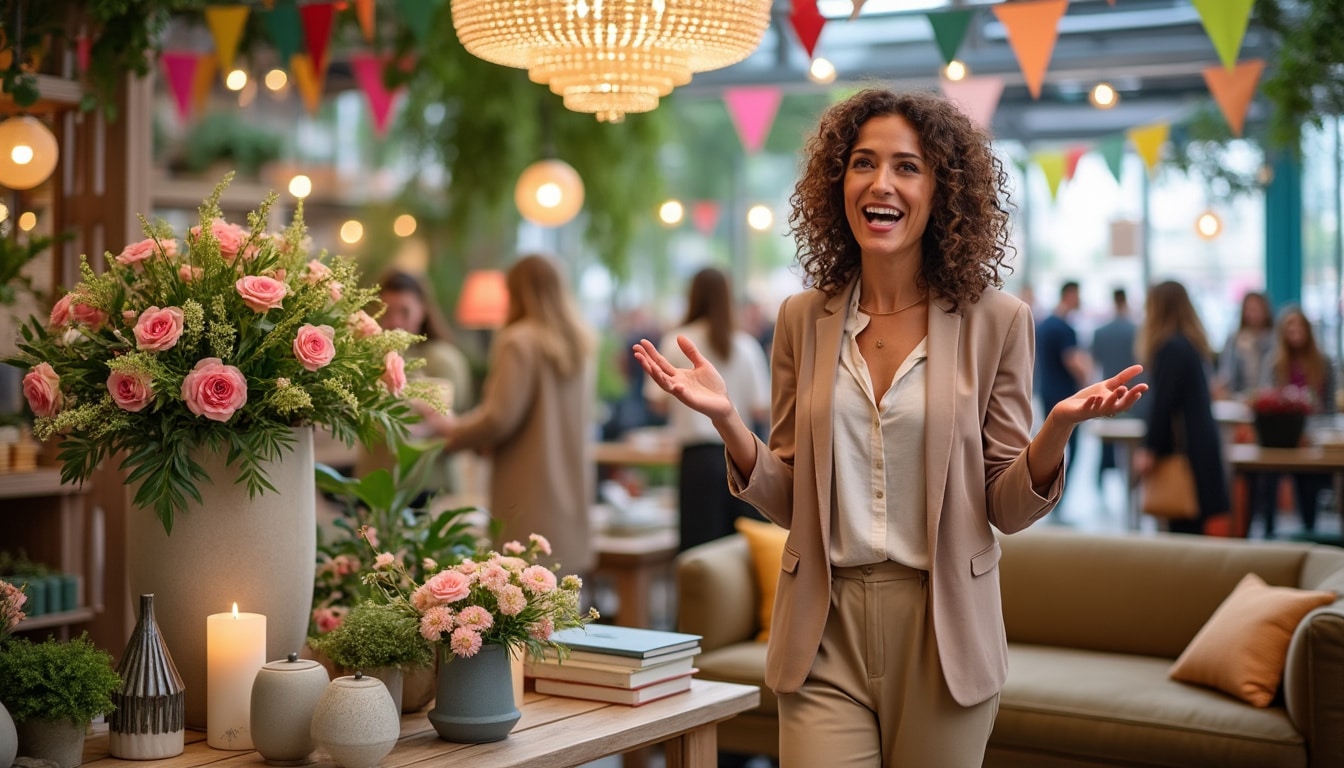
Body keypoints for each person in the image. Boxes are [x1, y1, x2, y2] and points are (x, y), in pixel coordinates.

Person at [633, 88, 1145, 767]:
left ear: (942, 190)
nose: (883, 183)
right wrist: (730, 423)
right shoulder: (800, 320)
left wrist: (1052, 434)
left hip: (943, 628)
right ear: (837, 184)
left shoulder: (998, 321)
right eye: (863, 163)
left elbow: (1005, 508)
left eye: (907, 166)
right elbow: (792, 502)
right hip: (823, 626)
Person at [422, 255, 598, 577]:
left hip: (528, 495)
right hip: (571, 497)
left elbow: (499, 417)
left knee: (523, 604)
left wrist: (451, 430)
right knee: (564, 608)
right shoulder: (580, 344)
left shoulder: (519, 340)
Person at [644, 267, 771, 552]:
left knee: (698, 555)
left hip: (697, 460)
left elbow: (657, 402)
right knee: (738, 554)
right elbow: (761, 410)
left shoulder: (676, 341)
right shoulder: (746, 345)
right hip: (741, 458)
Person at [356, 270, 475, 497]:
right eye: (388, 311)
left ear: (422, 310)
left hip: (430, 482)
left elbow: (455, 420)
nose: (396, 321)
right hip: (377, 479)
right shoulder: (366, 356)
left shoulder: (443, 359)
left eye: (405, 311)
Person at [1131, 281, 1228, 536]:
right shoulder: (1190, 344)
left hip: (1184, 452)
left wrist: (1149, 449)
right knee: (1192, 527)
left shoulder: (1170, 348)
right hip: (1198, 445)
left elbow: (1163, 404)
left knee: (1183, 531)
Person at [1251, 306, 1336, 537]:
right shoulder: (1274, 362)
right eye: (1290, 326)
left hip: (1311, 438)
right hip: (1281, 437)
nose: (1295, 331)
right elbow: (1266, 399)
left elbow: (1328, 407)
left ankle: (1311, 532)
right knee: (1269, 481)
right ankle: (1268, 534)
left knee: (1309, 484)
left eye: (1299, 326)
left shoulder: (1323, 362)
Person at [1036, 281, 1092, 478]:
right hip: (1066, 394)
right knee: (1073, 445)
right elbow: (1073, 361)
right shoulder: (1065, 329)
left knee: (1050, 444)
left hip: (1046, 391)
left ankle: (1047, 488)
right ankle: (1060, 491)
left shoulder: (1044, 325)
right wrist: (1088, 381)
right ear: (1069, 295)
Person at [1090, 287, 1144, 487]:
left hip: (1109, 392)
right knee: (1131, 443)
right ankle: (1131, 482)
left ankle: (1100, 482)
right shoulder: (1136, 331)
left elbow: (1094, 361)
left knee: (1107, 443)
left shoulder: (1101, 332)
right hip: (1133, 392)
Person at [1215, 291, 1274, 399]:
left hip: (1266, 398)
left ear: (1265, 311)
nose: (1253, 313)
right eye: (1249, 309)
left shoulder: (1274, 339)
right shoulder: (1234, 339)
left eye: (1256, 308)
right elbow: (1225, 371)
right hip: (1238, 397)